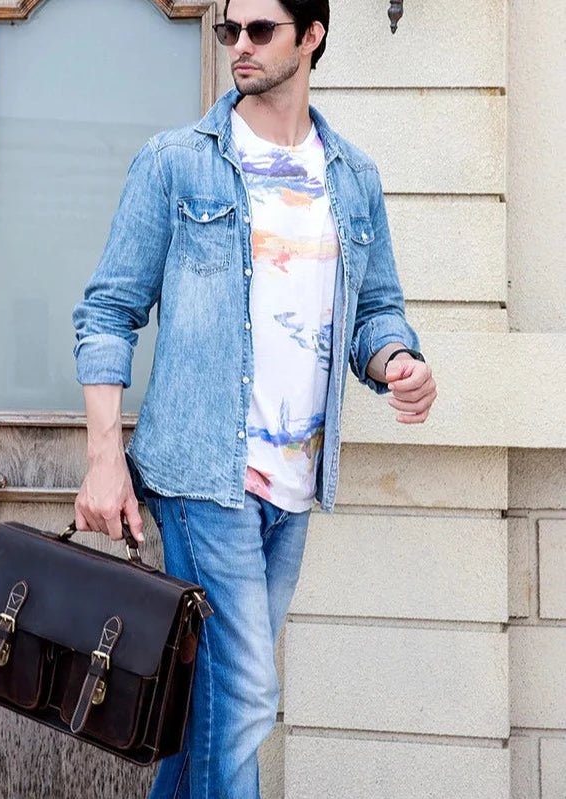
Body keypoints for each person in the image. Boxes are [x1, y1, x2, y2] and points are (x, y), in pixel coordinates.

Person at [72, 0, 437, 795]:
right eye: (227, 30)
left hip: (294, 485)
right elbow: (107, 312)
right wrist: (105, 459)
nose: (238, 45)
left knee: (206, 708)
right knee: (244, 703)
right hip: (206, 478)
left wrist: (397, 359)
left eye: (259, 30)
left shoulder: (352, 178)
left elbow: (373, 313)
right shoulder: (176, 162)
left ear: (311, 36)